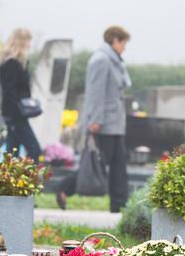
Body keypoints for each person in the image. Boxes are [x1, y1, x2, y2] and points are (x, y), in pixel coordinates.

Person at [56, 26, 131, 213]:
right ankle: (66, 188)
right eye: (123, 42)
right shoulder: (101, 60)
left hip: (114, 124)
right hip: (104, 124)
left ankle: (118, 204)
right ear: (114, 40)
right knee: (96, 165)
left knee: (115, 165)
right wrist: (96, 120)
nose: (125, 47)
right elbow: (96, 93)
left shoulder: (113, 61)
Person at [0, 28, 42, 160]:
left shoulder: (14, 61)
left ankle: (10, 180)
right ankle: (29, 179)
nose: (30, 45)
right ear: (21, 42)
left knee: (11, 154)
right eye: (28, 41)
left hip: (15, 113)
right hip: (16, 114)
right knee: (34, 150)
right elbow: (9, 91)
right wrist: (17, 113)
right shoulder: (12, 63)